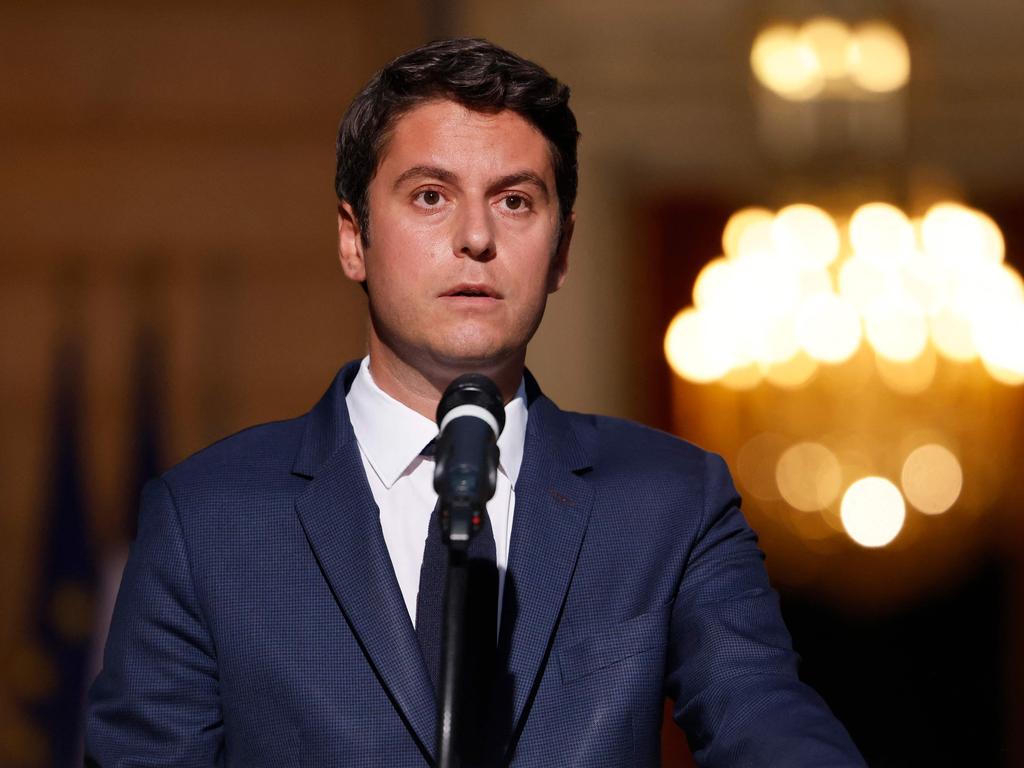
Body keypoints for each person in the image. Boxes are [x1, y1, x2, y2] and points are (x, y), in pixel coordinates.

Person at [86, 38, 865, 767]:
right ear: (353, 238)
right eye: (430, 196)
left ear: (560, 251)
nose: (476, 238)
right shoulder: (206, 518)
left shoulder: (669, 502)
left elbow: (770, 724)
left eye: (516, 202)